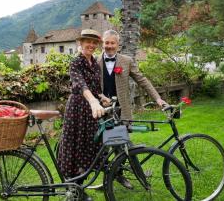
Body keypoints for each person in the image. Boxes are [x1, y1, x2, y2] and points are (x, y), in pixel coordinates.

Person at [97, 29, 167, 189]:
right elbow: (91, 86)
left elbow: (143, 80)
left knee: (123, 144)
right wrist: (100, 98)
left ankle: (121, 176)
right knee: (103, 147)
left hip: (122, 111)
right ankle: (111, 176)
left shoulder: (126, 61)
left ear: (118, 44)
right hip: (102, 112)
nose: (109, 46)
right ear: (103, 43)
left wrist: (158, 98)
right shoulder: (95, 62)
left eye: (112, 43)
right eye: (106, 43)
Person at [57, 29, 108, 201]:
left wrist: (101, 97)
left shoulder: (94, 63)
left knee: (89, 147)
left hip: (92, 111)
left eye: (95, 42)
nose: (92, 45)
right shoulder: (76, 62)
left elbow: (94, 88)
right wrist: (93, 101)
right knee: (75, 147)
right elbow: (80, 84)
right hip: (78, 109)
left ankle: (79, 186)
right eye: (88, 41)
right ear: (81, 42)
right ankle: (73, 189)